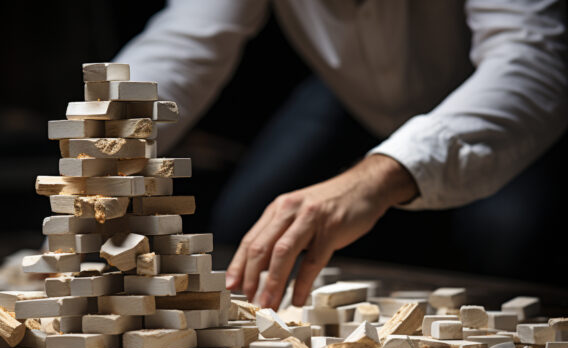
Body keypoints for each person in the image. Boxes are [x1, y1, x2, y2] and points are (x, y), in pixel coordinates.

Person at [113, 0, 568, 309]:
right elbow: (185, 42)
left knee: (507, 235)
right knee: (242, 223)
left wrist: (377, 177)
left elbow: (534, 63)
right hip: (350, 98)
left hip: (495, 103)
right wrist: (106, 146)